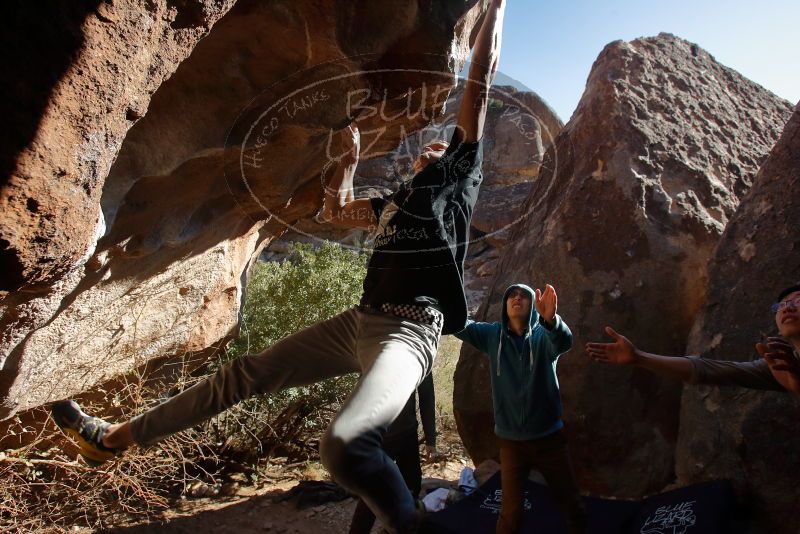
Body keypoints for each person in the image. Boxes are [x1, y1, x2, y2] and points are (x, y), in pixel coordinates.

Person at [51, 1, 505, 532]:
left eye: (441, 143)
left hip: (411, 329)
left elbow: (483, 75)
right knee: (244, 375)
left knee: (344, 446)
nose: (433, 144)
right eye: (427, 145)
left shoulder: (458, 177)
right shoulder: (392, 203)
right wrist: (349, 164)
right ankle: (111, 440)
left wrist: (495, 8)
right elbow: (336, 210)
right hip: (359, 322)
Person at [454, 283, 587, 534]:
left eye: (523, 296)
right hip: (511, 443)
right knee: (510, 515)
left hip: (549, 440)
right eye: (512, 296)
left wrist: (552, 321)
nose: (517, 299)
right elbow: (462, 326)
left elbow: (564, 341)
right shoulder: (493, 336)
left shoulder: (543, 337)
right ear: (505, 306)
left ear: (532, 307)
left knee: (572, 506)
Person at [585, 284, 800, 396]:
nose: (787, 308)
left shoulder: (788, 368)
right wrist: (639, 357)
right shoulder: (782, 366)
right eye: (781, 305)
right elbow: (706, 370)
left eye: (798, 301)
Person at [349, 373, 438, 534]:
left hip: (407, 434)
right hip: (379, 436)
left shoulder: (421, 352)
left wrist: (430, 440)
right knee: (373, 492)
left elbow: (427, 396)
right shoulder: (378, 348)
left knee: (412, 487)